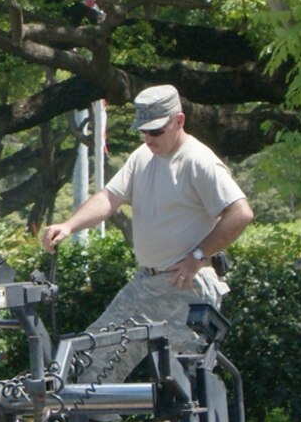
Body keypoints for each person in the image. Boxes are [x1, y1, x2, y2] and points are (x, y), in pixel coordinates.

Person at [39, 85, 254, 384]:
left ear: (179, 121)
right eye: (144, 132)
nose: (148, 139)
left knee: (182, 384)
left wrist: (197, 256)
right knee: (92, 359)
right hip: (145, 284)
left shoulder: (199, 161)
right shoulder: (142, 157)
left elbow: (240, 213)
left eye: (155, 131)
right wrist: (69, 225)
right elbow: (109, 198)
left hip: (188, 287)